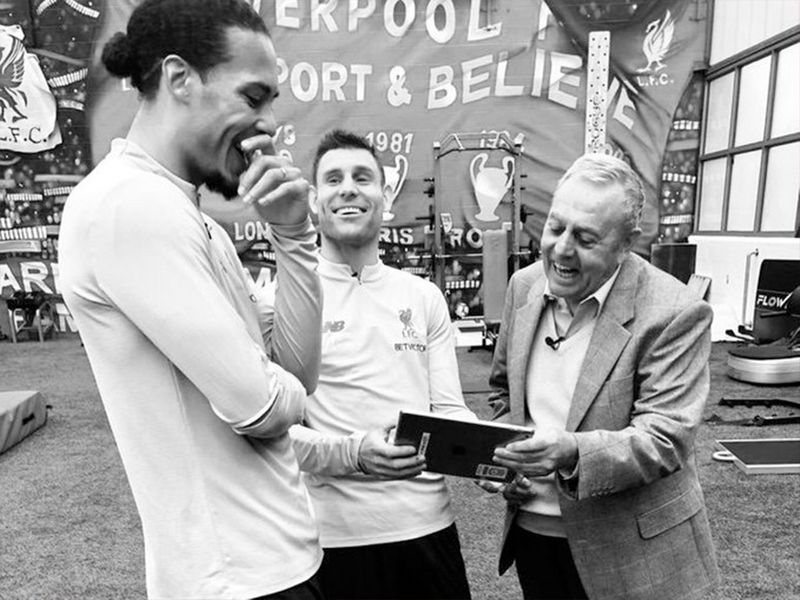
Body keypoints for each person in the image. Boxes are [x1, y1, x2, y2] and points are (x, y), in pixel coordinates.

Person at [58, 1, 324, 598]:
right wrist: (274, 382)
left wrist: (295, 237)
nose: (269, 125)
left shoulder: (185, 211)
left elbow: (301, 370)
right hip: (234, 583)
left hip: (276, 567)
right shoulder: (128, 206)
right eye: (254, 98)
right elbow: (260, 407)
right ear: (179, 78)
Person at [483, 153, 720, 600]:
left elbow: (665, 438)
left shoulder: (675, 311)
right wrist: (505, 455)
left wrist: (571, 452)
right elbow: (503, 394)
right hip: (535, 536)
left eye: (586, 238)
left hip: (637, 553)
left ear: (626, 243)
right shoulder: (524, 287)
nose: (561, 249)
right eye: (556, 227)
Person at [290, 129, 475, 600]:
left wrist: (487, 455)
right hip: (333, 542)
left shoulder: (423, 296)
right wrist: (355, 453)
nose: (348, 188)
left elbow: (449, 410)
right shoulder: (287, 299)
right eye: (333, 179)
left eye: (362, 177)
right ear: (314, 200)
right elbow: (276, 437)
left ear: (385, 196)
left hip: (428, 532)